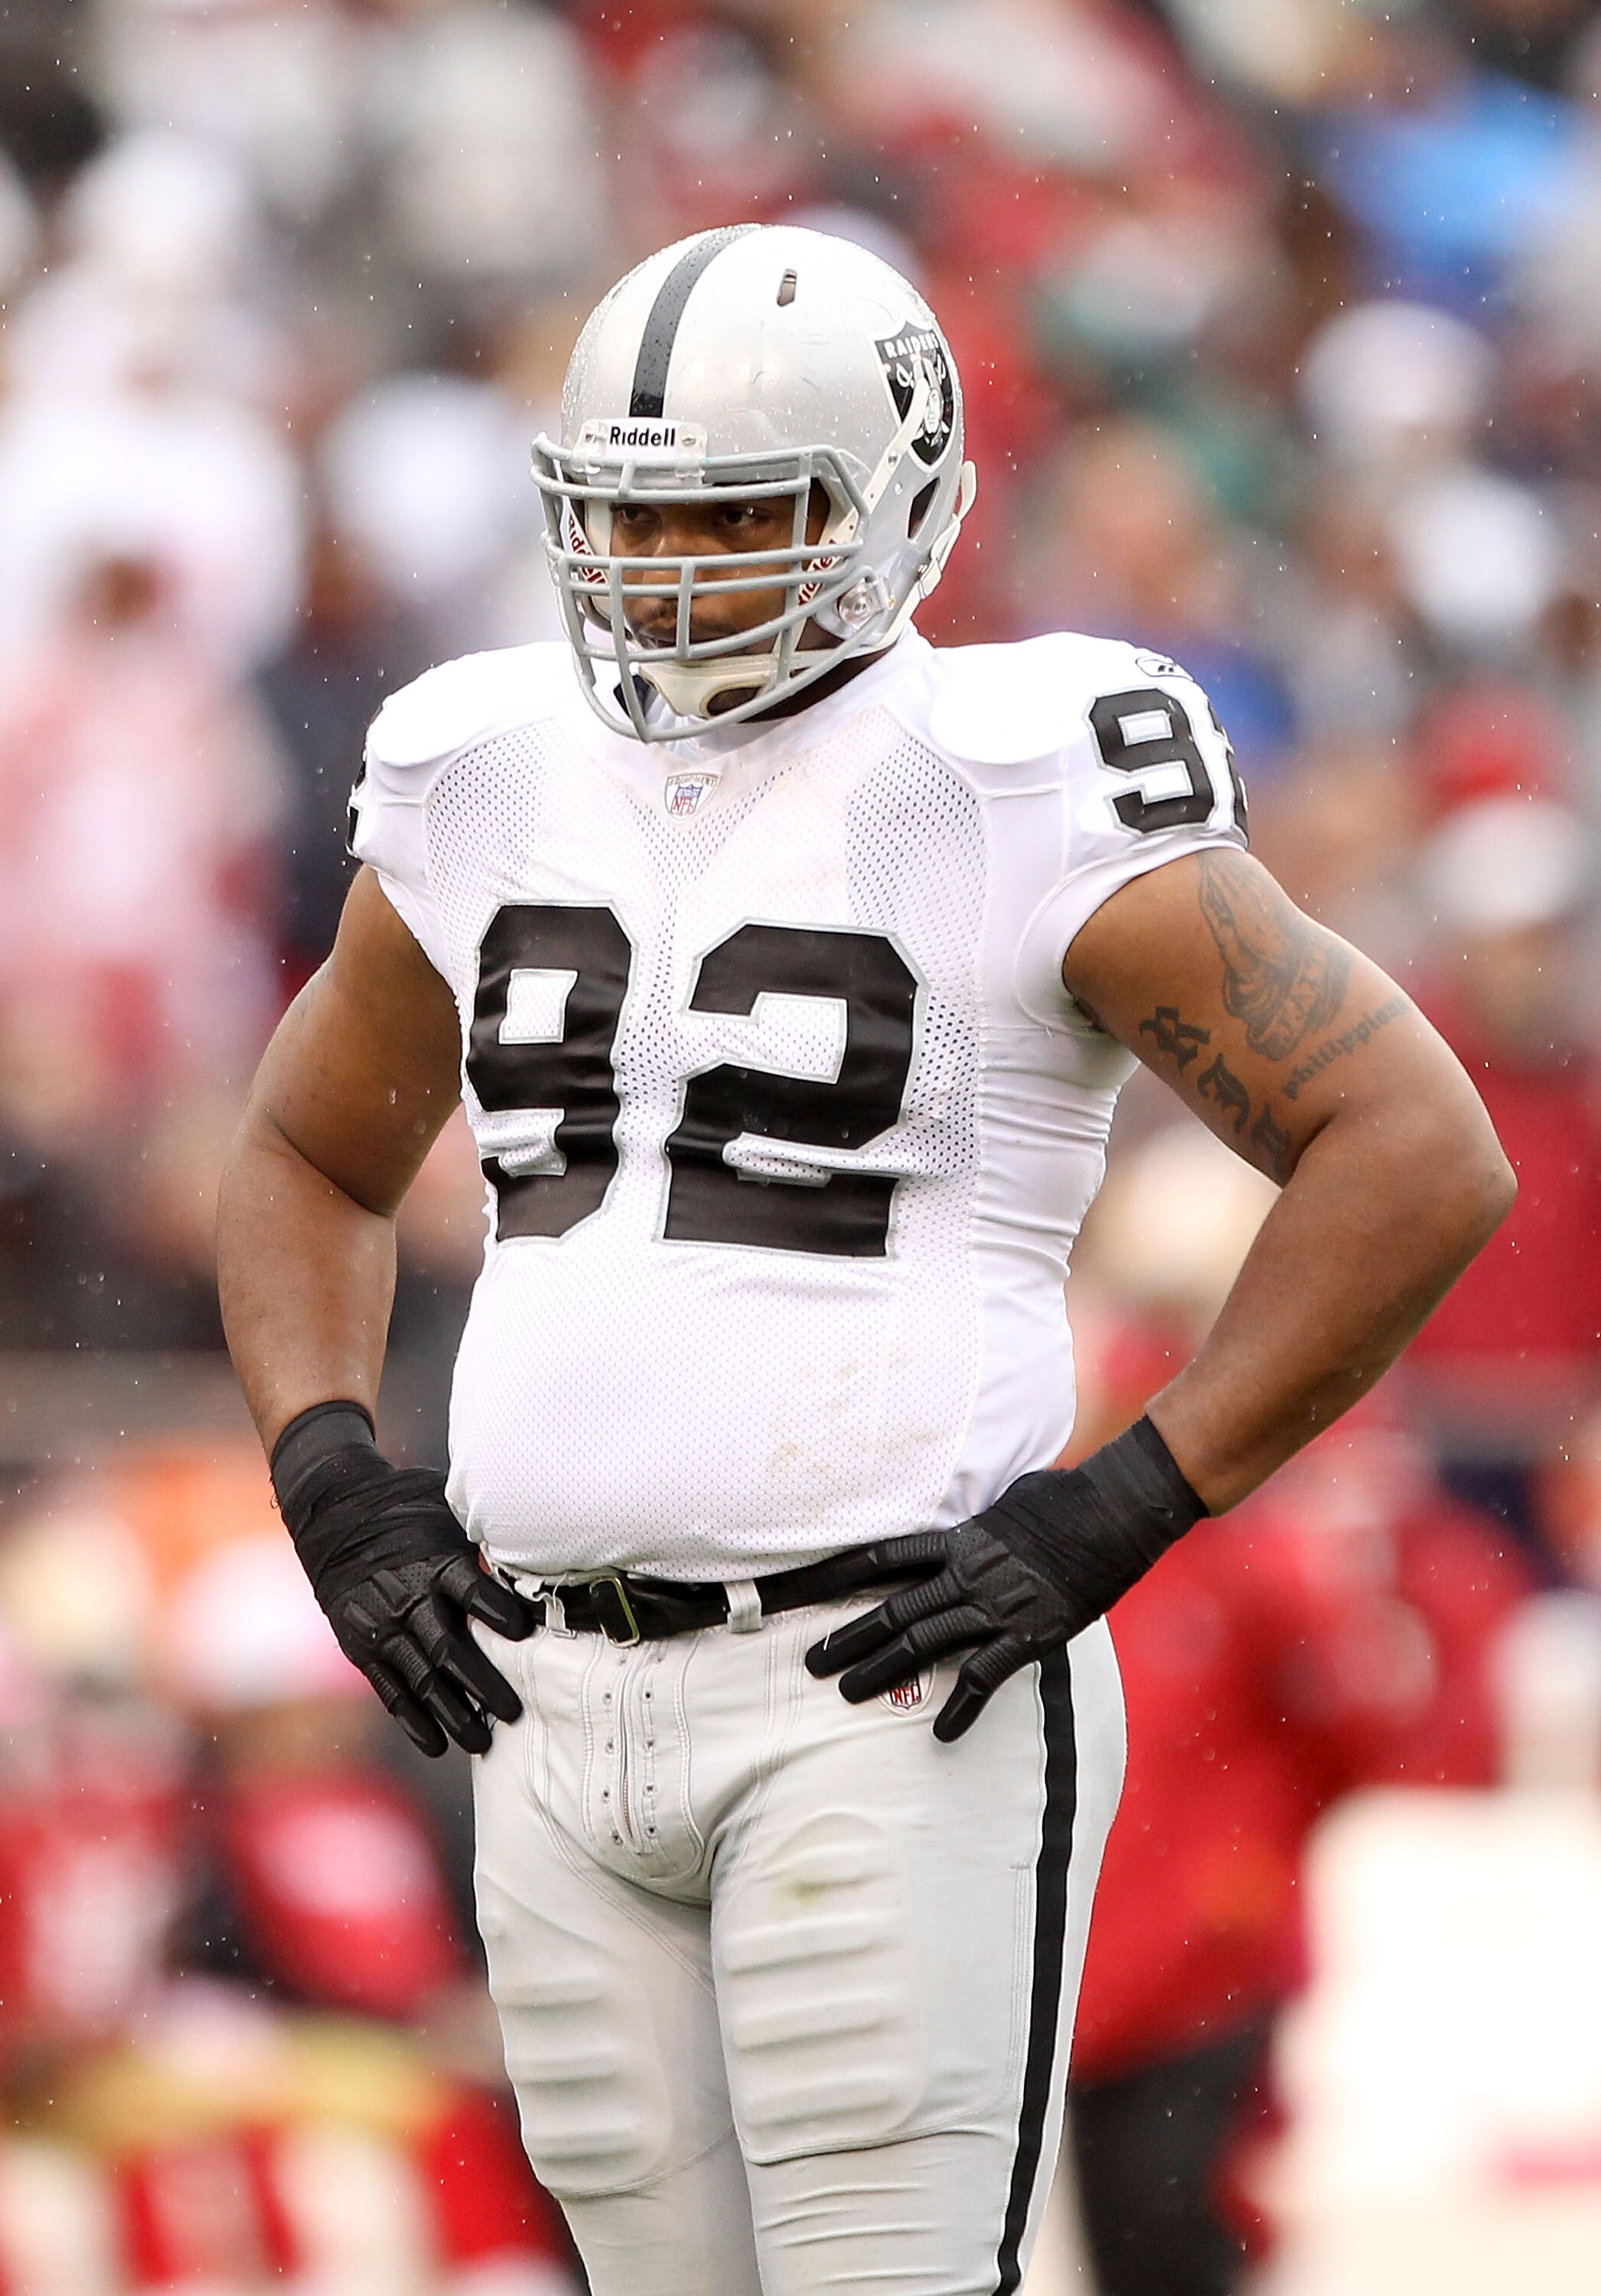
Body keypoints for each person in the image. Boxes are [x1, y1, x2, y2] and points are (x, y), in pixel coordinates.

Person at [216, 224, 1513, 2296]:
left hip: (884, 1681)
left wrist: (1126, 1501)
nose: (668, 573)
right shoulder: (478, 760)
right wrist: (327, 1470)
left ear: (903, 504)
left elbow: (1413, 1149)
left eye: (738, 513)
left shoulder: (1023, 767)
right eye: (628, 516)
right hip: (541, 1695)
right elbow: (304, 1151)